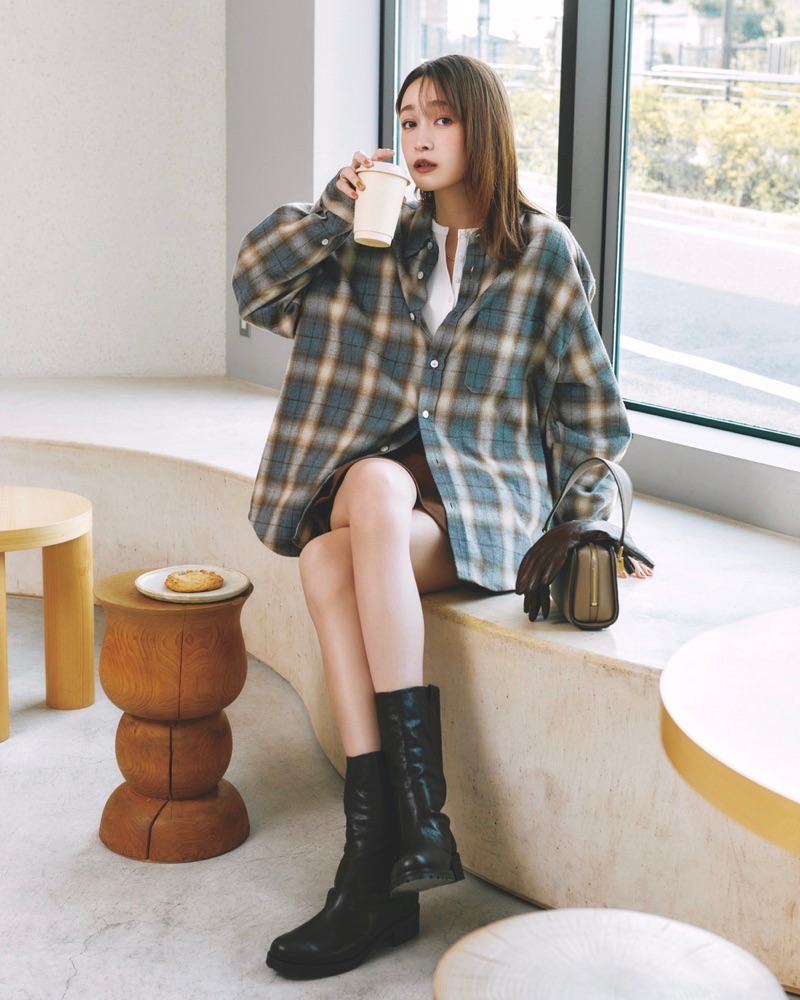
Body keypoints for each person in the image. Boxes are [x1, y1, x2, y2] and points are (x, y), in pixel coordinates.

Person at [232, 53, 652, 981]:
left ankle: (382, 855)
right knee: (356, 513)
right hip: (383, 493)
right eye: (407, 119)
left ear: (481, 128)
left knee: (346, 531)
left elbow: (592, 415)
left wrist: (588, 525)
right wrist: (333, 211)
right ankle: (402, 837)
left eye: (441, 119)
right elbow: (254, 287)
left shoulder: (543, 253)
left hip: (483, 502)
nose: (419, 136)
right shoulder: (373, 234)